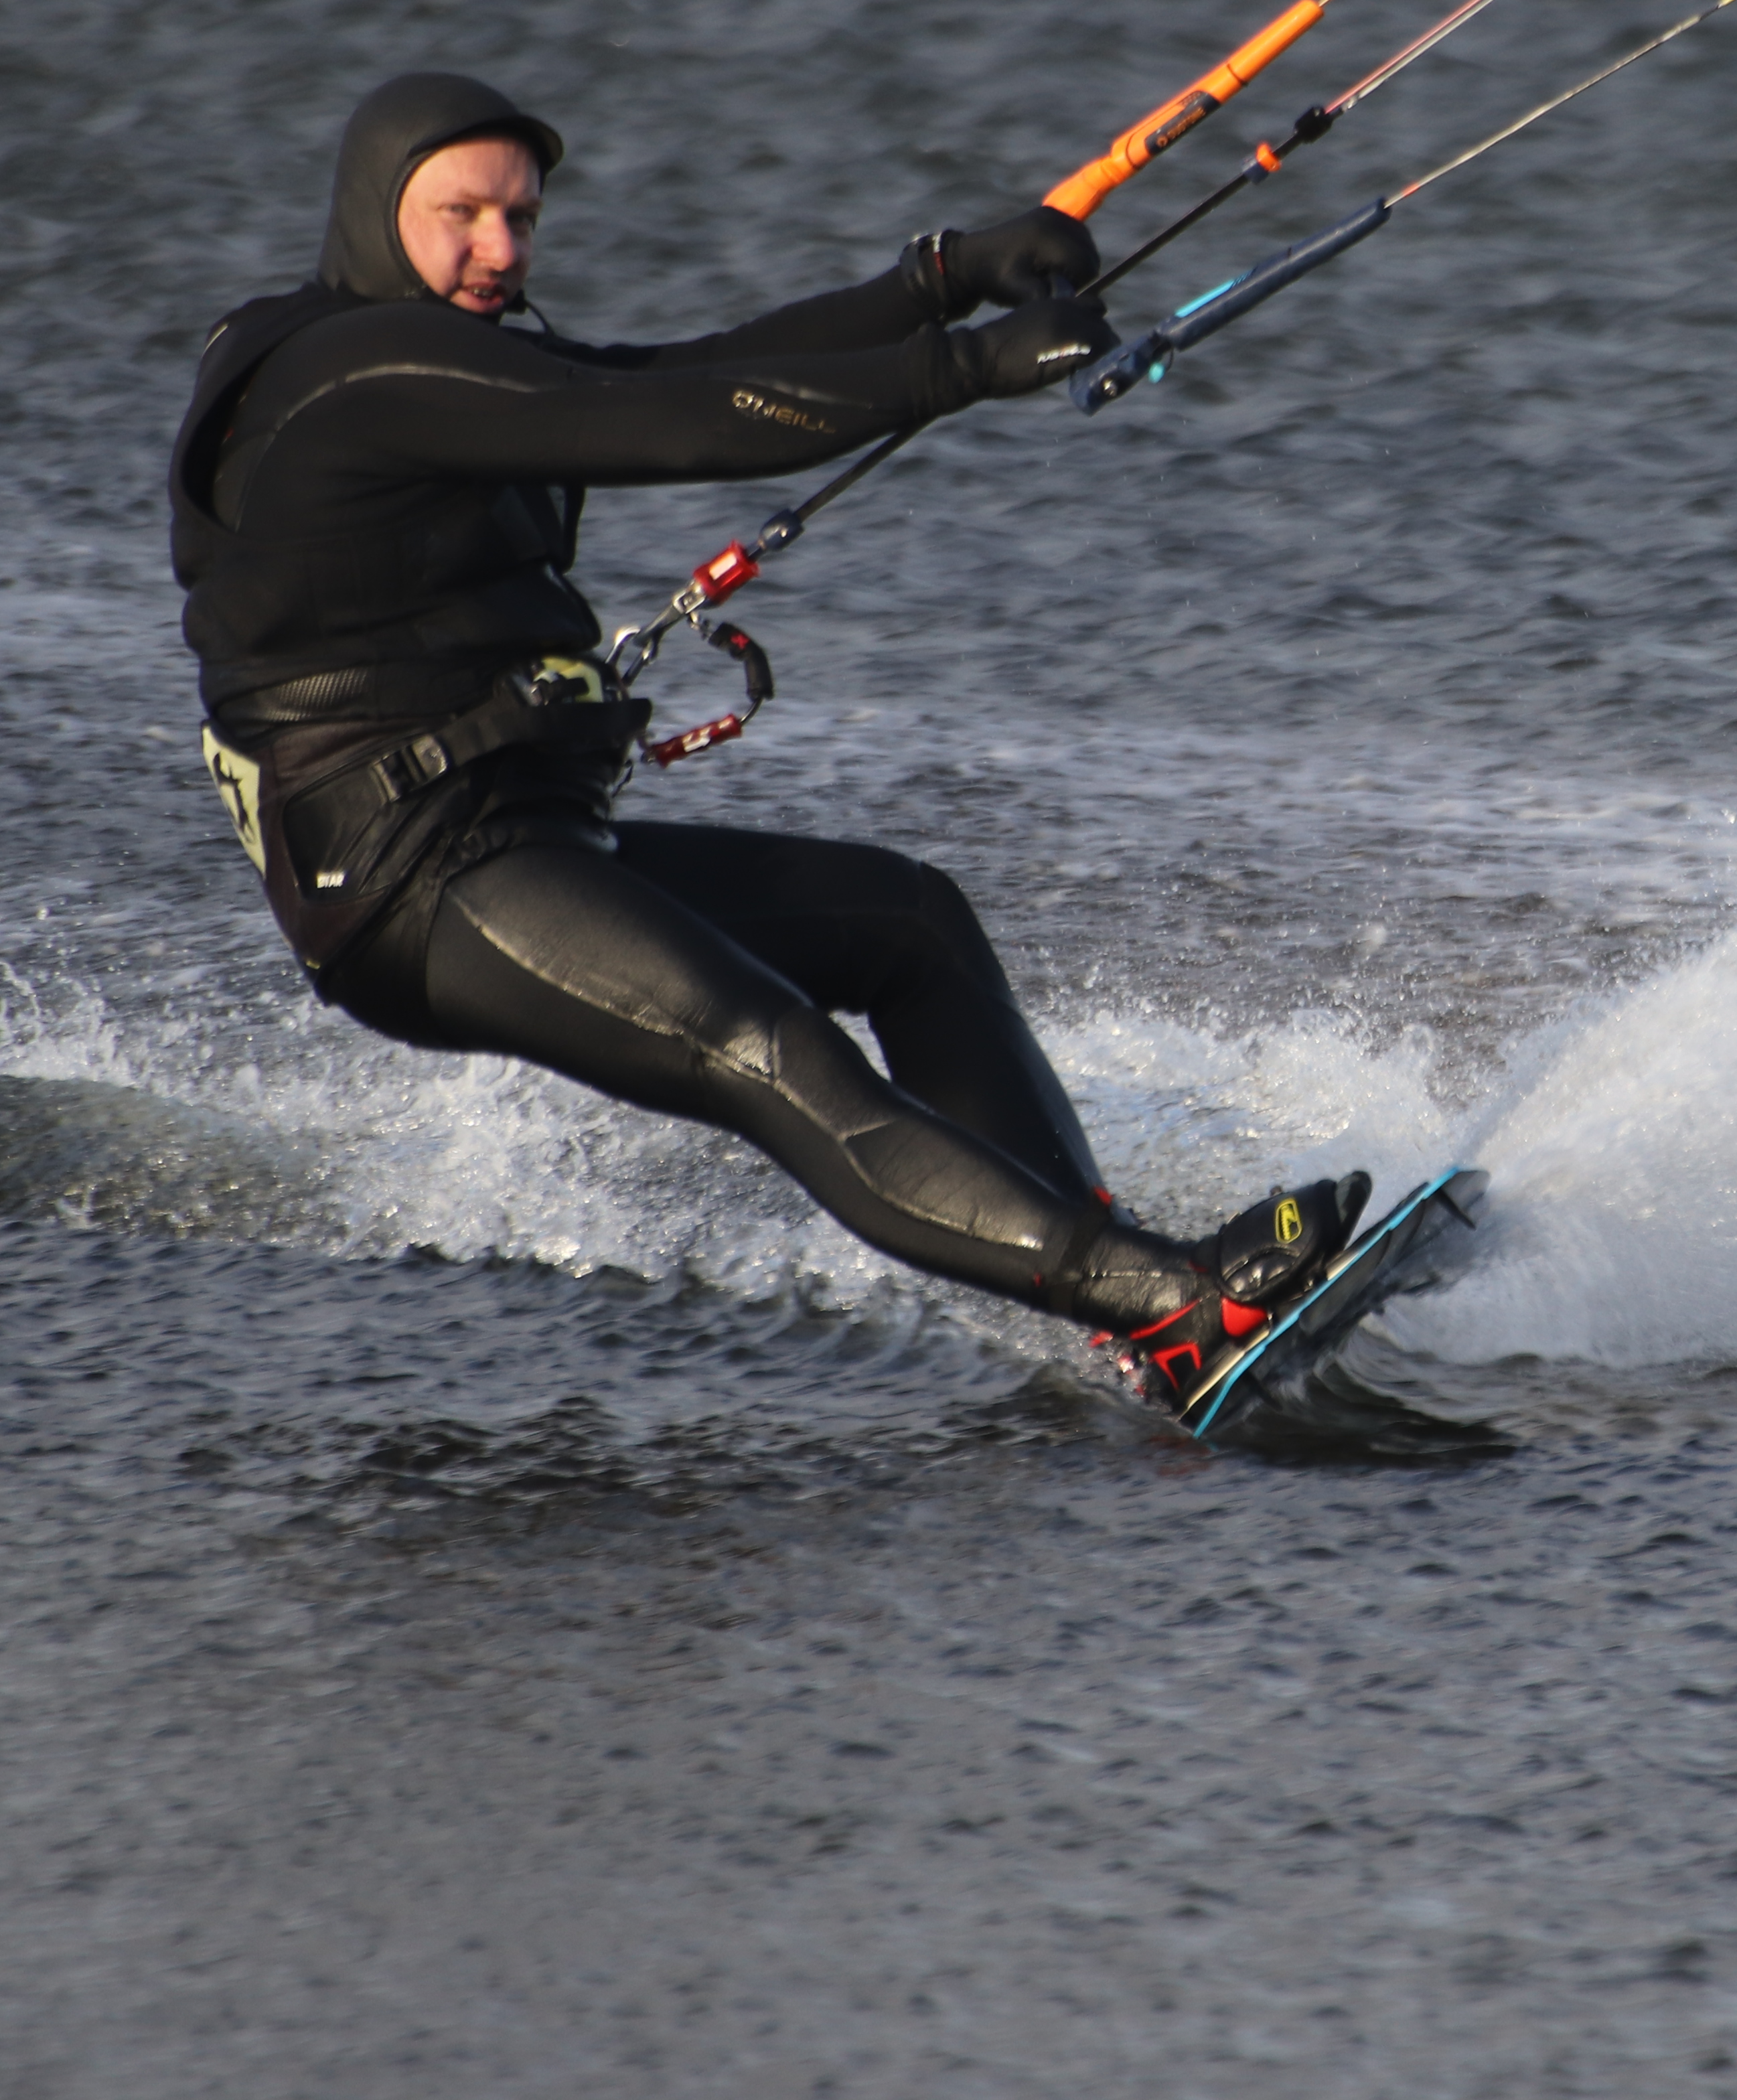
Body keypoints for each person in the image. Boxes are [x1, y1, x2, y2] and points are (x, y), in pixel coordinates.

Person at [169, 72, 1361, 1412]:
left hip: (521, 838)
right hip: (409, 883)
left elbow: (683, 371)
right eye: (461, 214)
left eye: (523, 217)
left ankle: (1117, 1287)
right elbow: (667, 425)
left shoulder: (451, 360)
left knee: (912, 920)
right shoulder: (344, 370)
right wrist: (957, 368)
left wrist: (937, 279)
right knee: (768, 1045)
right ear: (375, 214)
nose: (500, 249)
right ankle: (1167, 1299)